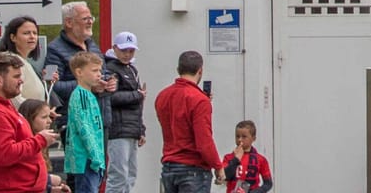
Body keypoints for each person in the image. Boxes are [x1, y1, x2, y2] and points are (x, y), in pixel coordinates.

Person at [0, 51, 55, 193]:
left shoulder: (4, 106)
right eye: (16, 76)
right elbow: (5, 154)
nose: (21, 81)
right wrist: (40, 140)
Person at [154, 51, 222, 193]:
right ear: (200, 70)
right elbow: (204, 141)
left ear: (178, 70)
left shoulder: (162, 96)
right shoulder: (199, 100)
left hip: (169, 166)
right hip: (193, 168)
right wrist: (218, 166)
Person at [47, 4, 115, 125]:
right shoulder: (54, 49)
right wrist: (87, 85)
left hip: (101, 118)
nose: (90, 22)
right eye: (85, 19)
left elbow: (105, 72)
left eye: (91, 18)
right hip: (76, 121)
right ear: (69, 22)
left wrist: (111, 81)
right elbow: (52, 87)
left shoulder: (92, 45)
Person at [102, 34, 147, 193]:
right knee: (118, 175)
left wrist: (140, 129)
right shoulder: (110, 68)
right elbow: (111, 97)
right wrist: (137, 95)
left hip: (131, 129)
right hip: (117, 129)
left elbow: (138, 105)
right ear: (114, 48)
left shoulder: (131, 69)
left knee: (130, 174)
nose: (127, 54)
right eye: (123, 50)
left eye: (131, 51)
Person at [63, 53, 107, 193]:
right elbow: (85, 127)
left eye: (100, 70)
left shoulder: (89, 95)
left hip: (93, 158)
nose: (99, 74)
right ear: (79, 72)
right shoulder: (80, 95)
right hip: (86, 159)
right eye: (94, 70)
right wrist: (95, 157)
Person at [0, 17, 48, 103]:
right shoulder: (9, 62)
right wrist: (38, 111)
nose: (32, 37)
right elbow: (14, 98)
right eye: (26, 33)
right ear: (13, 37)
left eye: (35, 33)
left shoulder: (25, 62)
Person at [220, 122, 272, 193]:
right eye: (237, 136)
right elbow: (225, 176)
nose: (240, 139)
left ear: (253, 138)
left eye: (244, 136)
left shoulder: (261, 159)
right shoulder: (228, 158)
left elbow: (268, 183)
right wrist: (236, 160)